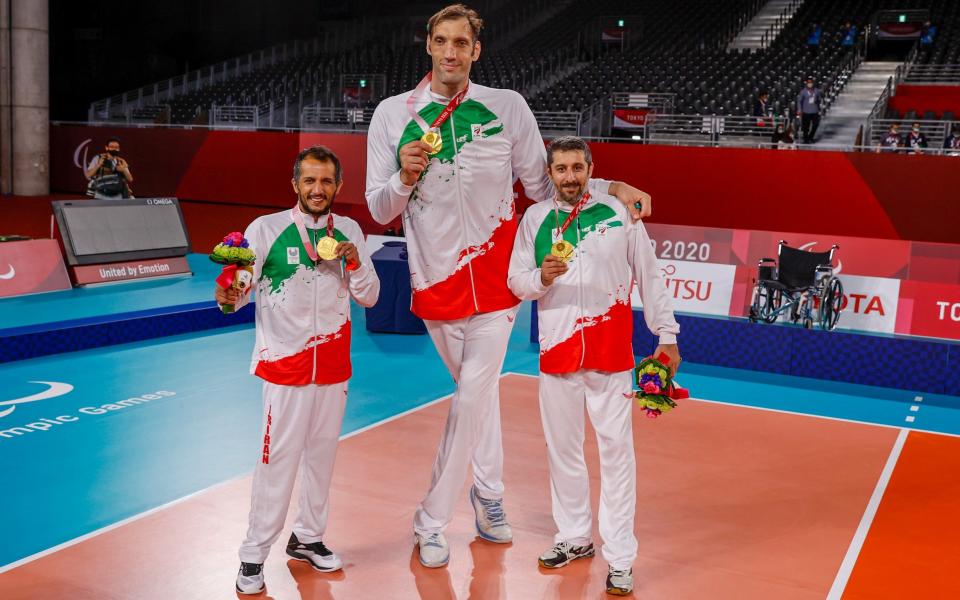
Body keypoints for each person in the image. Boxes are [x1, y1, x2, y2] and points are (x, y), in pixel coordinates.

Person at [365, 3, 652, 569]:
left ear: (477, 50)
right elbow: (378, 210)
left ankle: (430, 519)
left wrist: (612, 183)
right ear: (428, 45)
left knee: (473, 393)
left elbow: (547, 187)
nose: (451, 52)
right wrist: (403, 176)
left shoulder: (506, 107)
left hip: (501, 283)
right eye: (442, 41)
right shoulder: (392, 116)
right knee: (478, 399)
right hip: (437, 281)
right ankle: (489, 495)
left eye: (462, 43)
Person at [507, 136, 680, 597]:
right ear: (549, 173)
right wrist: (540, 277)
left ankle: (620, 558)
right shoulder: (536, 219)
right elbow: (516, 280)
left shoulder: (619, 212)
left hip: (610, 356)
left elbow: (649, 273)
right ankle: (574, 537)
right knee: (562, 453)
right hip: (558, 356)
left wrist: (667, 335)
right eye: (560, 169)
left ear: (590, 169)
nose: (569, 176)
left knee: (617, 457)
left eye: (576, 167)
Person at [219, 145, 380, 595]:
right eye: (309, 180)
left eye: (326, 181)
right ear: (295, 184)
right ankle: (253, 555)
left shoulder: (348, 230)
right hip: (284, 368)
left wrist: (353, 260)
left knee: (322, 459)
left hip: (332, 366)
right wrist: (229, 293)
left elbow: (370, 296)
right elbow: (240, 290)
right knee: (277, 462)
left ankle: (308, 536)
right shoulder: (267, 229)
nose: (317, 189)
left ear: (338, 186)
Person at [796, 77, 822, 144]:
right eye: (808, 83)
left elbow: (819, 100)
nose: (810, 84)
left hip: (815, 111)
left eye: (811, 83)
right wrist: (799, 109)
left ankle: (811, 137)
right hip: (806, 111)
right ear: (807, 83)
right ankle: (806, 139)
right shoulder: (803, 91)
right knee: (805, 127)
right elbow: (799, 101)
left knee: (816, 124)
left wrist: (818, 108)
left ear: (813, 83)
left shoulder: (817, 91)